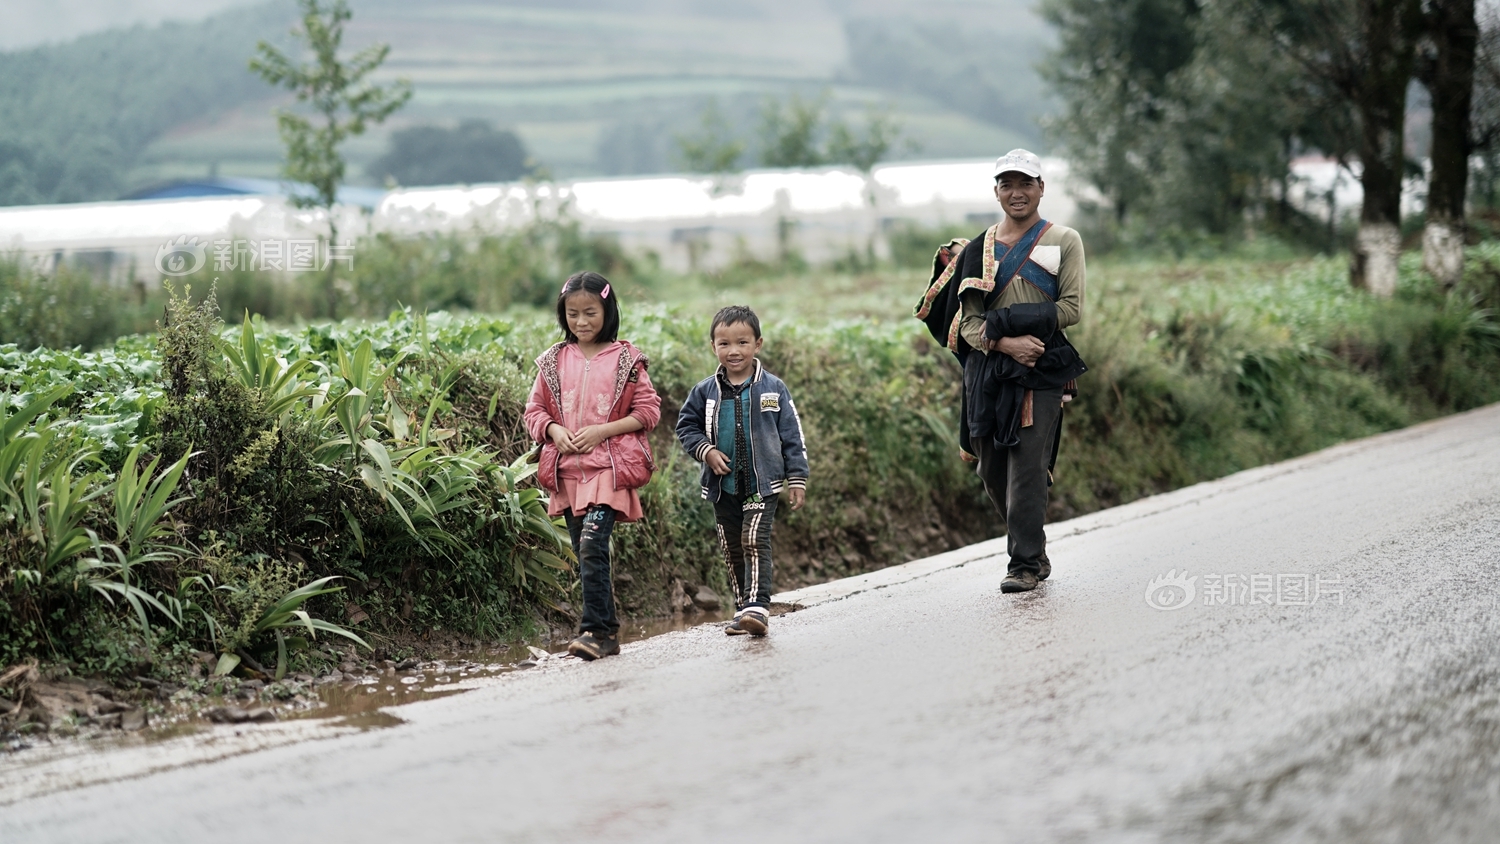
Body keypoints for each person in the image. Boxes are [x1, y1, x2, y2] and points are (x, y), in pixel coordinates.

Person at [914, 149, 1086, 594]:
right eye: (1007, 184)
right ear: (996, 191)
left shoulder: (1064, 240)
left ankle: (1024, 564)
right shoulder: (979, 249)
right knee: (991, 470)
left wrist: (1021, 335)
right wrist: (1007, 341)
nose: (1017, 193)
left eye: (1025, 183)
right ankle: (1033, 545)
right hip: (989, 372)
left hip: (1041, 367)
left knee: (1027, 465)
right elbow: (968, 324)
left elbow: (1070, 309)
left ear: (1041, 188)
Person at [524, 271, 661, 660]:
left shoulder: (627, 360)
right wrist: (552, 429)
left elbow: (648, 411)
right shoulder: (553, 360)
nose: (581, 322)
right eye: (572, 314)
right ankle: (607, 634)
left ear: (608, 311)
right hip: (568, 474)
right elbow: (533, 411)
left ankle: (595, 631)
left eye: (590, 313)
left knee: (591, 543)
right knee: (586, 552)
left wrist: (603, 431)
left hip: (608, 470)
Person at [675, 306, 808, 637]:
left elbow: (793, 435)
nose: (733, 351)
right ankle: (742, 608)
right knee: (732, 544)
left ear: (757, 345)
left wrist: (798, 477)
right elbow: (685, 426)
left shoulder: (773, 388)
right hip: (724, 486)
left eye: (742, 342)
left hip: (763, 484)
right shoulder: (705, 391)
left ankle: (757, 606)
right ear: (713, 347)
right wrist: (705, 451)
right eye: (724, 344)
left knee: (753, 539)